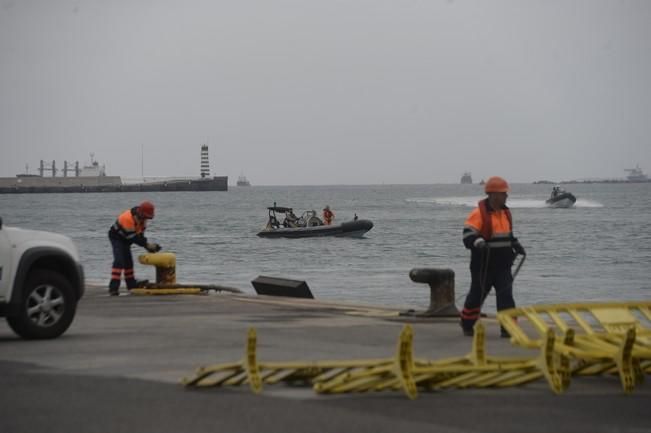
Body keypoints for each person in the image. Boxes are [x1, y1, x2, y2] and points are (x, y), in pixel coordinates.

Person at [460, 176, 526, 337]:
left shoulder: (505, 213)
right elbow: (467, 236)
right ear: (494, 195)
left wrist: (515, 244)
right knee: (476, 297)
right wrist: (478, 242)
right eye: (504, 193)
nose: (506, 196)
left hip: (503, 266)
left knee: (506, 298)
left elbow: (508, 235)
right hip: (483, 266)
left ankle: (508, 329)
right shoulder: (478, 214)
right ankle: (467, 324)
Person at [108, 201, 161, 296]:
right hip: (116, 237)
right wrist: (147, 245)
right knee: (119, 261)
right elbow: (132, 237)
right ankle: (113, 287)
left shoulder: (142, 220)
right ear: (140, 213)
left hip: (126, 238)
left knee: (128, 262)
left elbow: (140, 235)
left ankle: (131, 284)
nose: (146, 219)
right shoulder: (127, 218)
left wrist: (147, 246)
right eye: (146, 217)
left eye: (148, 217)